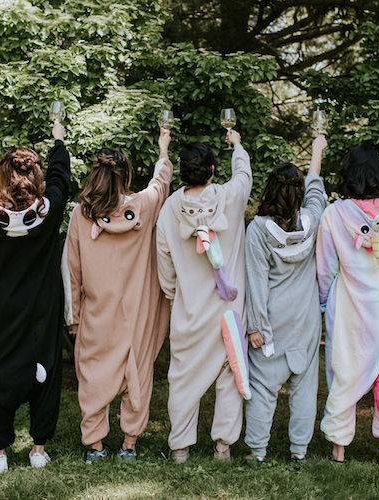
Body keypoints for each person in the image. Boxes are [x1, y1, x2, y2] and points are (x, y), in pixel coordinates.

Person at [64, 128, 172, 463]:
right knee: (137, 371)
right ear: (125, 175)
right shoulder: (143, 206)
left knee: (94, 374)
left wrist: (74, 317)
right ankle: (129, 444)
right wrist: (163, 149)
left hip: (98, 313)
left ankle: (95, 446)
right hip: (138, 311)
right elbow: (160, 184)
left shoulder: (81, 216)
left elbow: (71, 271)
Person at [0, 121, 70, 472]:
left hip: (0, 309)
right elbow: (61, 178)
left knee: (0, 375)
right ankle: (39, 448)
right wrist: (58, 141)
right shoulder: (49, 211)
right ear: (35, 175)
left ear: (2, 176)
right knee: (46, 374)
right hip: (42, 310)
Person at [316, 124, 379, 468]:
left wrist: (322, 303)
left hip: (349, 305)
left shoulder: (334, 214)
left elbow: (325, 268)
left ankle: (339, 448)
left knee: (344, 367)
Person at [156, 130, 251, 463]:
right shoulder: (230, 196)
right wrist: (237, 145)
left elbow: (164, 261)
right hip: (229, 309)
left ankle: (180, 448)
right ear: (212, 168)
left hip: (189, 309)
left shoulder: (169, 209)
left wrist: (173, 295)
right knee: (229, 374)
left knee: (182, 378)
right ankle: (223, 446)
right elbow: (244, 174)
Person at [244, 136, 328, 464]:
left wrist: (256, 327)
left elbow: (256, 283)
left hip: (272, 318)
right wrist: (317, 153)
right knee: (304, 386)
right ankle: (299, 451)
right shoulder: (312, 221)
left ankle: (257, 451)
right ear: (299, 194)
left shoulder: (259, 231)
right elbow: (317, 193)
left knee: (263, 389)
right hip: (305, 319)